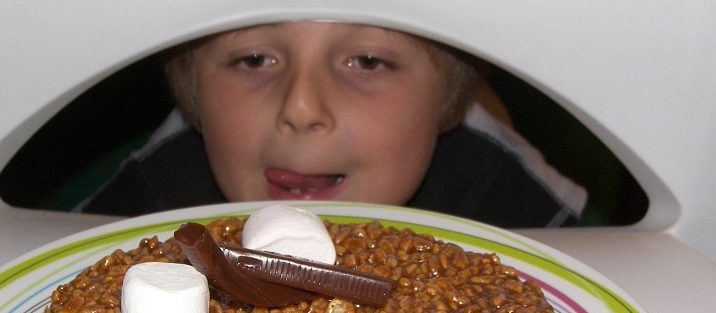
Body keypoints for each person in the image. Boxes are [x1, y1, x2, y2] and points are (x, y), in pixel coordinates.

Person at [78, 21, 587, 228]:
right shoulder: (155, 193)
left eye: (367, 61)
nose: (301, 108)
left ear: (446, 99)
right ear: (193, 91)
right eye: (255, 59)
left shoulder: (504, 191)